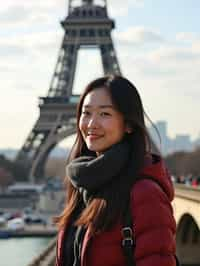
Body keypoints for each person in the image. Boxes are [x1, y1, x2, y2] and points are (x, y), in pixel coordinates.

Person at [55, 75, 177, 266]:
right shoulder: (82, 185)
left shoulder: (145, 194)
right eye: (86, 113)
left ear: (128, 124)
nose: (92, 123)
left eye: (105, 114)